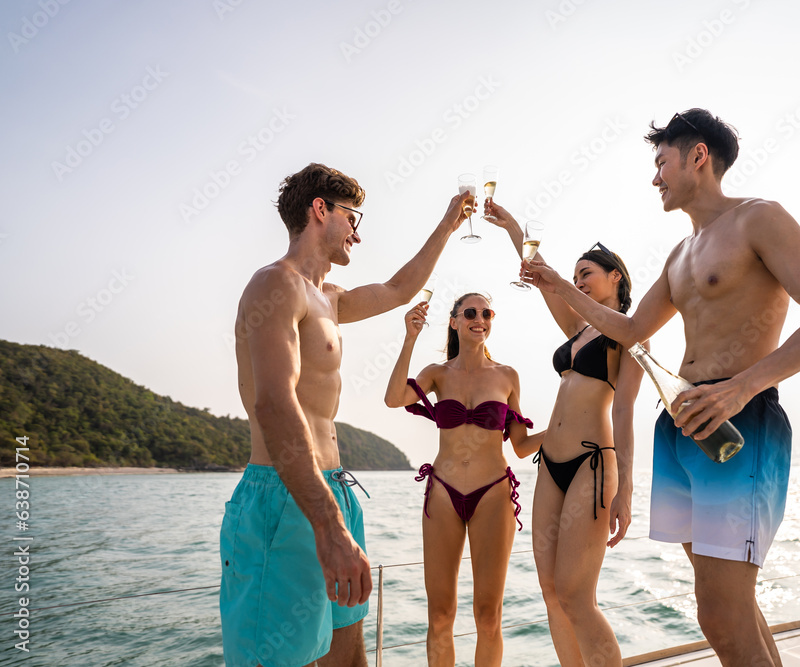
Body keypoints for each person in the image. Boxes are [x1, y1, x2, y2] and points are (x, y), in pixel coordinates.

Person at [521, 109, 800, 667]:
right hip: (680, 428)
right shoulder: (680, 255)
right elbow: (629, 331)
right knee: (733, 608)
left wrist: (743, 387)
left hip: (737, 421)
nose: (656, 178)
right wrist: (557, 284)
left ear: (697, 156)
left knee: (719, 614)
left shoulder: (760, 219)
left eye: (661, 163)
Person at [220, 162, 473, 667]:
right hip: (287, 498)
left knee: (348, 658)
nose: (358, 231)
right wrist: (330, 527)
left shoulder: (328, 299)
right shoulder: (276, 285)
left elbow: (400, 289)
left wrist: (448, 223)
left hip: (333, 490)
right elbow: (273, 402)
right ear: (320, 210)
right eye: (353, 216)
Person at [484, 201, 645, 667]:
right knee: (551, 591)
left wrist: (626, 492)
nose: (577, 281)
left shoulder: (629, 335)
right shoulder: (576, 328)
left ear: (616, 277)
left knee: (577, 595)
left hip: (593, 465)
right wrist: (513, 226)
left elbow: (626, 412)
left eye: (587, 272)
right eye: (574, 275)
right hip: (550, 465)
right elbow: (541, 278)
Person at [384, 292, 544, 666]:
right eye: (470, 312)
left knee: (488, 616)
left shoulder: (507, 376)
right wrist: (409, 338)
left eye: (487, 312)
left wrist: (570, 426)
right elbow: (394, 398)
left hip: (493, 493)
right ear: (454, 321)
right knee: (440, 615)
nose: (480, 318)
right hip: (443, 492)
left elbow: (520, 446)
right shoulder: (438, 373)